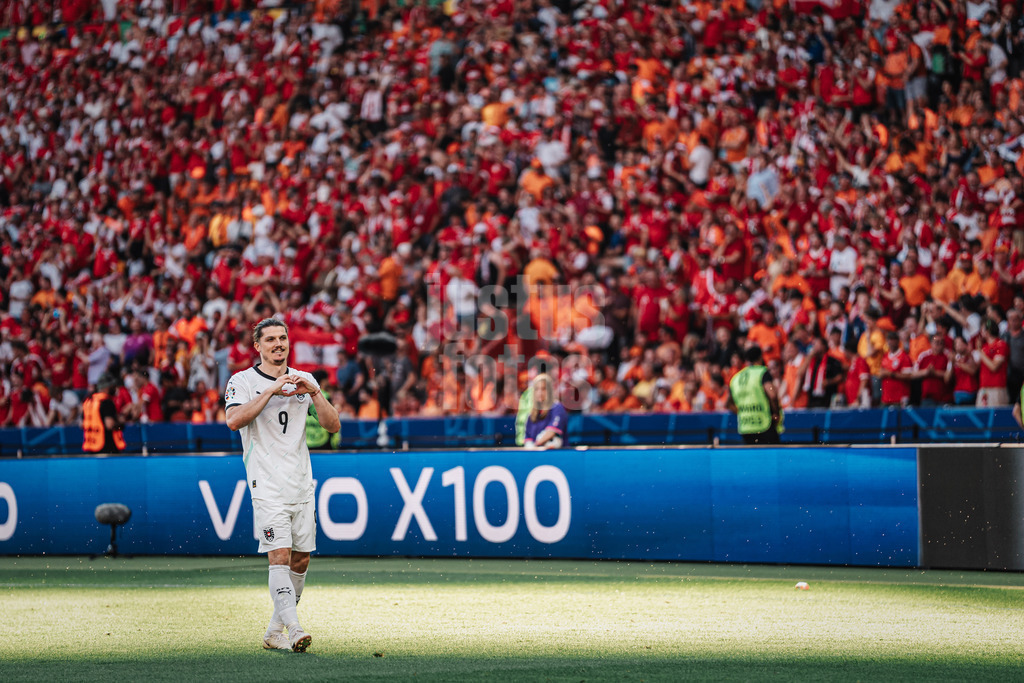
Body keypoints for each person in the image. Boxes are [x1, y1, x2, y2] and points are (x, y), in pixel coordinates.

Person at [225, 318, 340, 653]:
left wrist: (314, 391)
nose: (279, 344)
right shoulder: (242, 381)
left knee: (301, 560)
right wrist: (272, 389)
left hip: (301, 482)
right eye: (271, 339)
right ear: (257, 346)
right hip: (267, 484)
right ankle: (294, 628)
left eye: (283, 338)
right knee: (279, 555)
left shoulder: (305, 379)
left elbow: (332, 425)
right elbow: (234, 420)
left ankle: (274, 631)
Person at [728, 346, 782, 445]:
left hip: (745, 426)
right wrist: (776, 413)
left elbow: (729, 403)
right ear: (760, 357)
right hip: (764, 423)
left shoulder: (736, 377)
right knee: (771, 456)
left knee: (753, 457)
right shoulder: (762, 373)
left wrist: (742, 412)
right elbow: (772, 394)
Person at [81, 374, 126, 454]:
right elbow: (110, 425)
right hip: (107, 448)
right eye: (113, 386)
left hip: (92, 447)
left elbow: (81, 424)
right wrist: (120, 424)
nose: (115, 389)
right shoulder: (106, 402)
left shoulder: (88, 402)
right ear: (107, 387)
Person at [523, 373, 567, 449]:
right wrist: (531, 447)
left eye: (543, 389)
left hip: (557, 455)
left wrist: (536, 445)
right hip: (536, 456)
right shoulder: (532, 414)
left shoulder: (557, 408)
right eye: (537, 389)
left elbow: (551, 432)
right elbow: (528, 440)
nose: (540, 392)